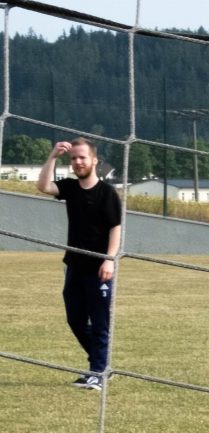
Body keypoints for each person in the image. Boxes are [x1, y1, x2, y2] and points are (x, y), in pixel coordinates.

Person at [37, 137, 123, 390]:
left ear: (94, 160)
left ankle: (97, 372)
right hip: (74, 266)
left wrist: (109, 260)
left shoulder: (107, 193)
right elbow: (43, 186)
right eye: (73, 158)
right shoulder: (71, 188)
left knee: (100, 323)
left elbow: (115, 228)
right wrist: (52, 156)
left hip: (99, 269)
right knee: (75, 320)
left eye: (82, 157)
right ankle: (102, 364)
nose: (77, 162)